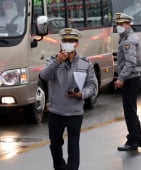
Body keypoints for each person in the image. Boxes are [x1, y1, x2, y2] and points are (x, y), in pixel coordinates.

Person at [39, 28, 98, 170]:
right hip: (56, 111)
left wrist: (82, 94)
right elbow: (44, 77)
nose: (68, 44)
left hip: (75, 112)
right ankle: (60, 167)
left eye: (71, 41)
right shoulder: (52, 61)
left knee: (73, 146)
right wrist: (57, 62)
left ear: (76, 44)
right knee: (55, 144)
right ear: (61, 43)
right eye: (65, 41)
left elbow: (92, 85)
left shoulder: (85, 63)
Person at [114, 13, 141, 151]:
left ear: (128, 25)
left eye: (122, 24)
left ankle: (133, 140)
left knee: (130, 111)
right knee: (131, 110)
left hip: (130, 79)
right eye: (118, 24)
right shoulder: (127, 38)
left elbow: (130, 62)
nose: (119, 27)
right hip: (133, 77)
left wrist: (121, 78)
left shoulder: (128, 41)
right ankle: (137, 139)